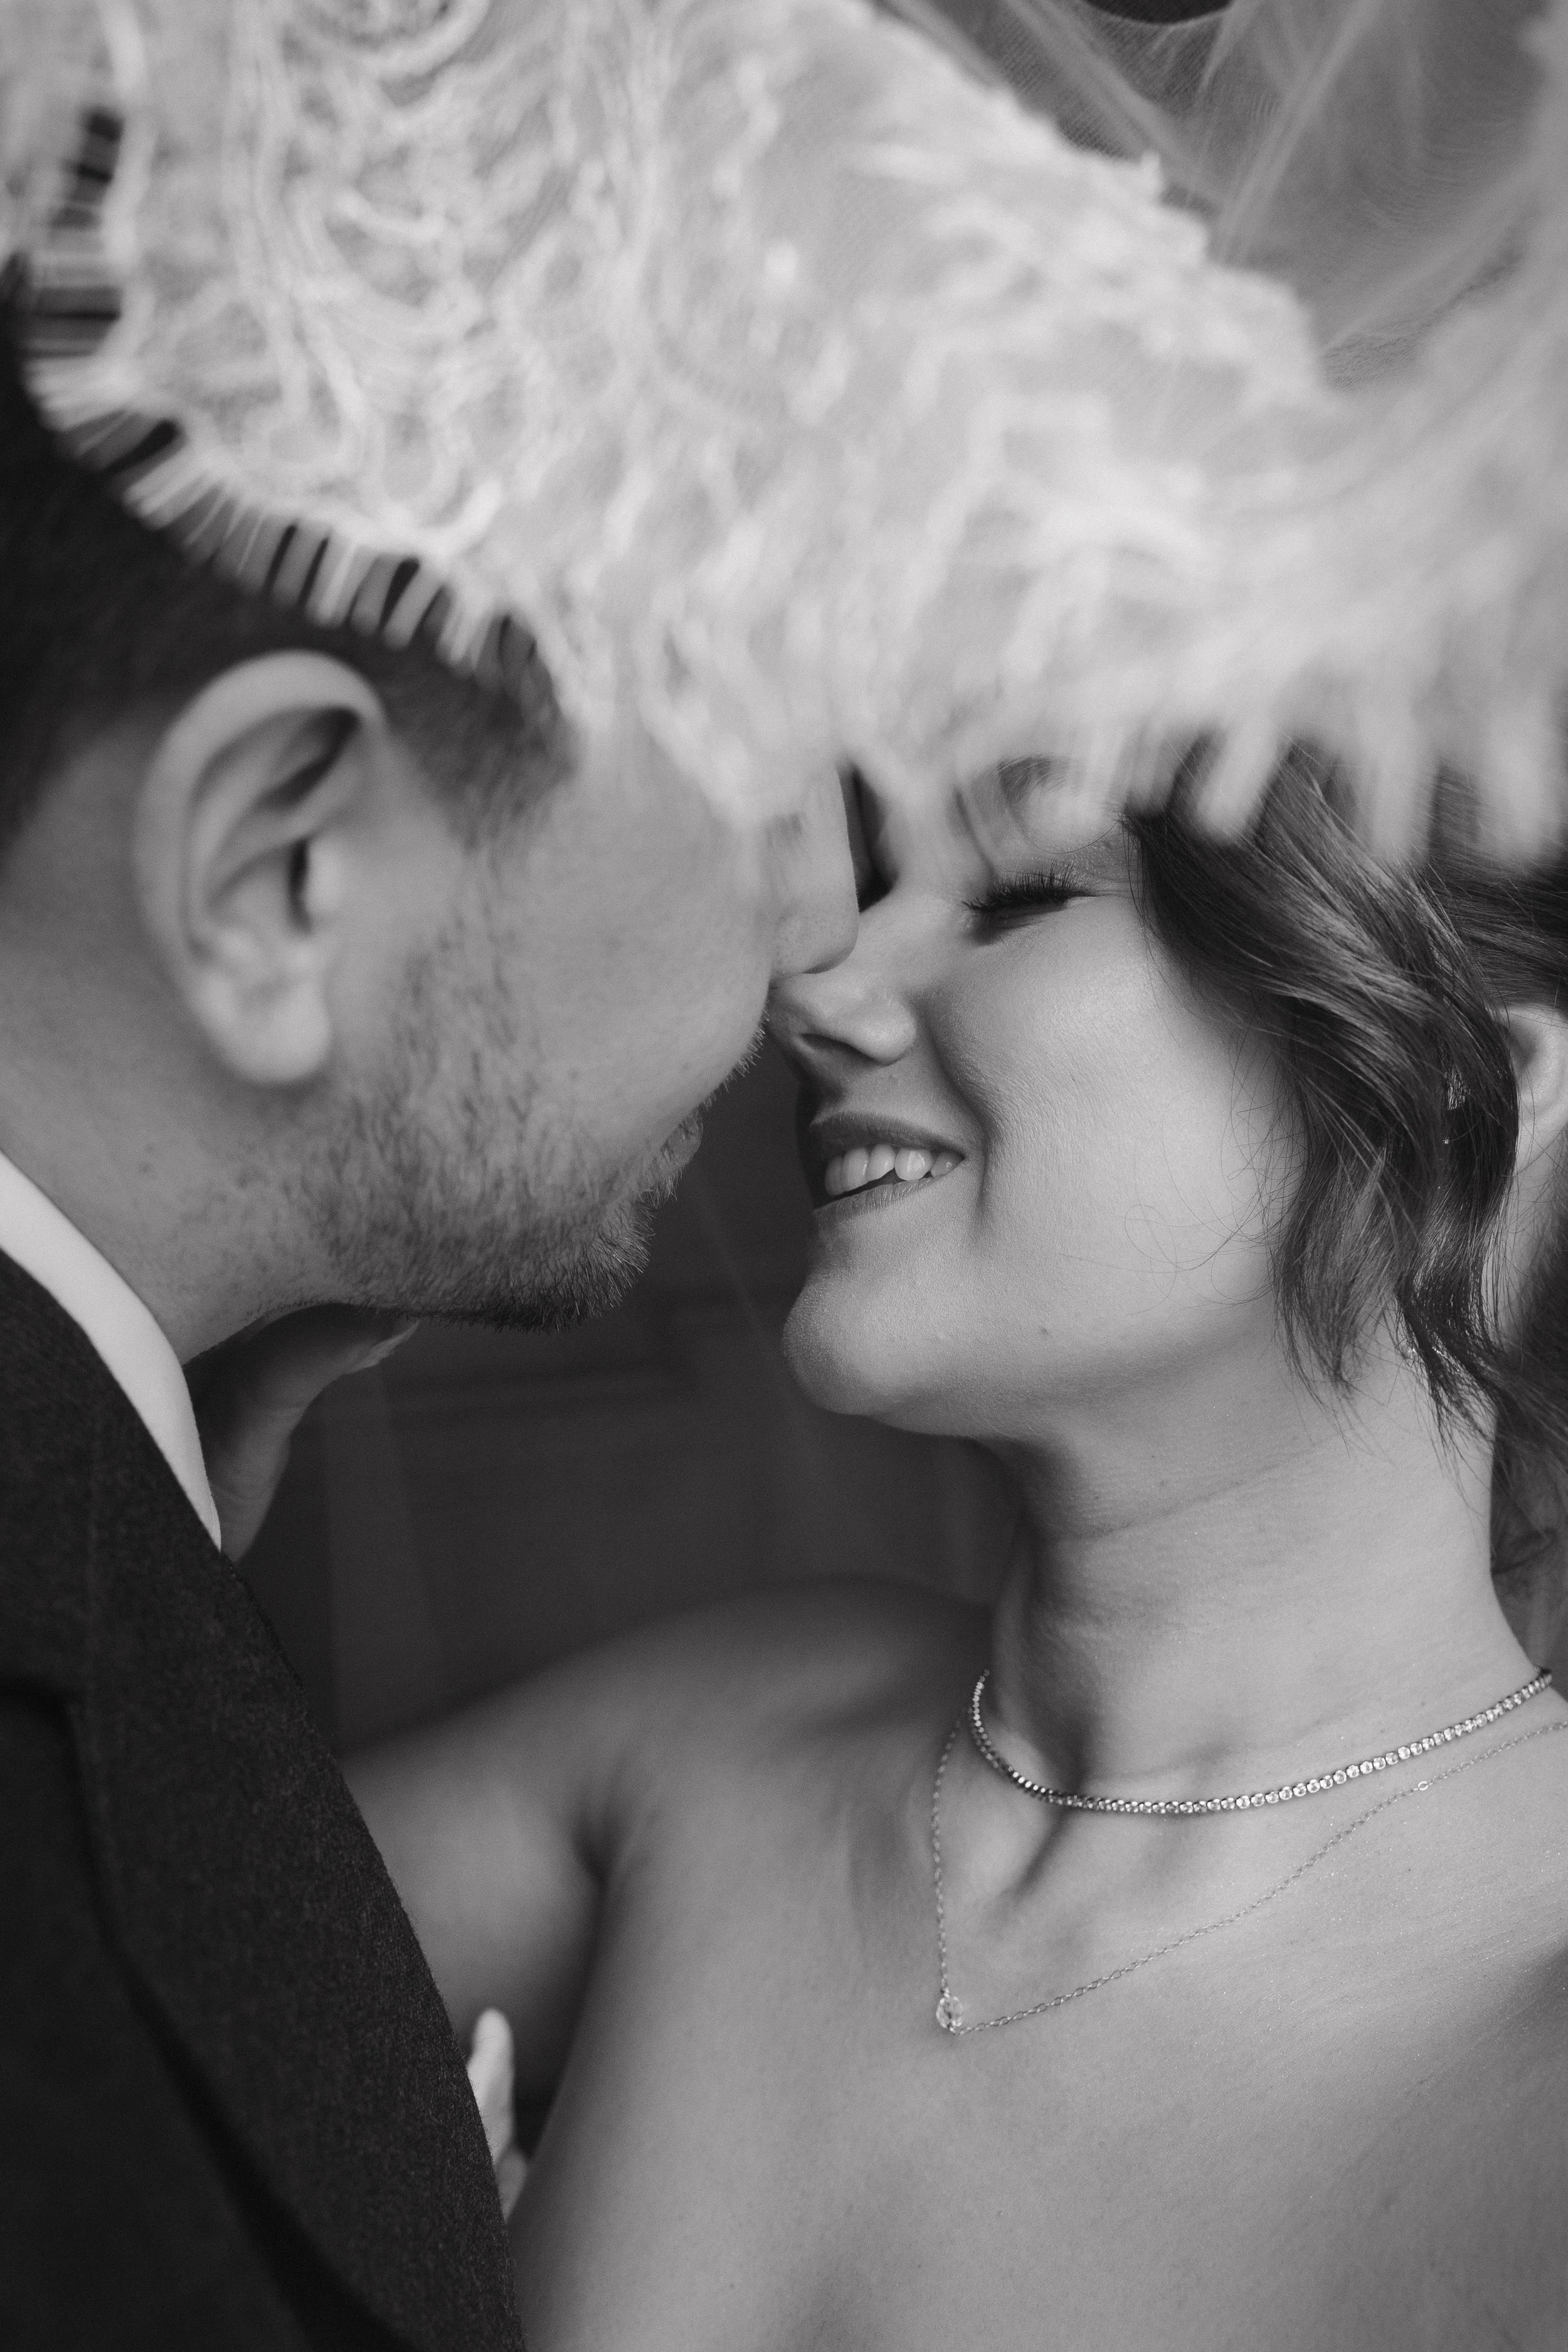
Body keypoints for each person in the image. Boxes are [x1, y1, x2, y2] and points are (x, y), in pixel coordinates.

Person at [349, 755, 1568, 2349]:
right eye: (868, 894)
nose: (810, 992)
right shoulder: (708, 1742)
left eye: (1015, 896)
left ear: (1474, 1083)